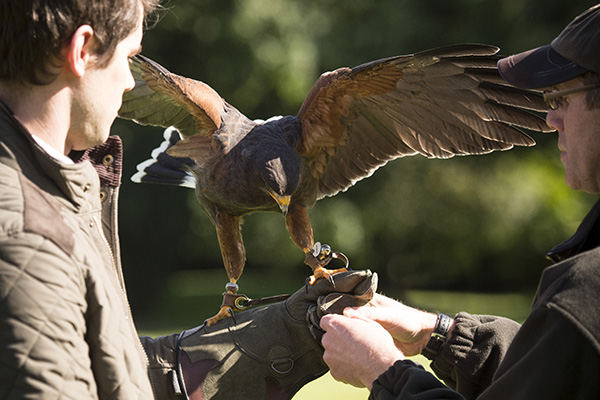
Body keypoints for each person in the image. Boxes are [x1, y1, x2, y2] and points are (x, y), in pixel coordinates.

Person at [0, 1, 377, 399]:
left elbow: (117, 369)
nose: (131, 82)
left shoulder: (66, 192)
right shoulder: (30, 238)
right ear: (81, 51)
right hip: (215, 180)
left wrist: (284, 333)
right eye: (129, 59)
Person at [319, 4, 600, 400]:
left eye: (560, 97)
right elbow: (561, 376)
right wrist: (441, 334)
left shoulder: (588, 291)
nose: (551, 118)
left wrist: (382, 370)